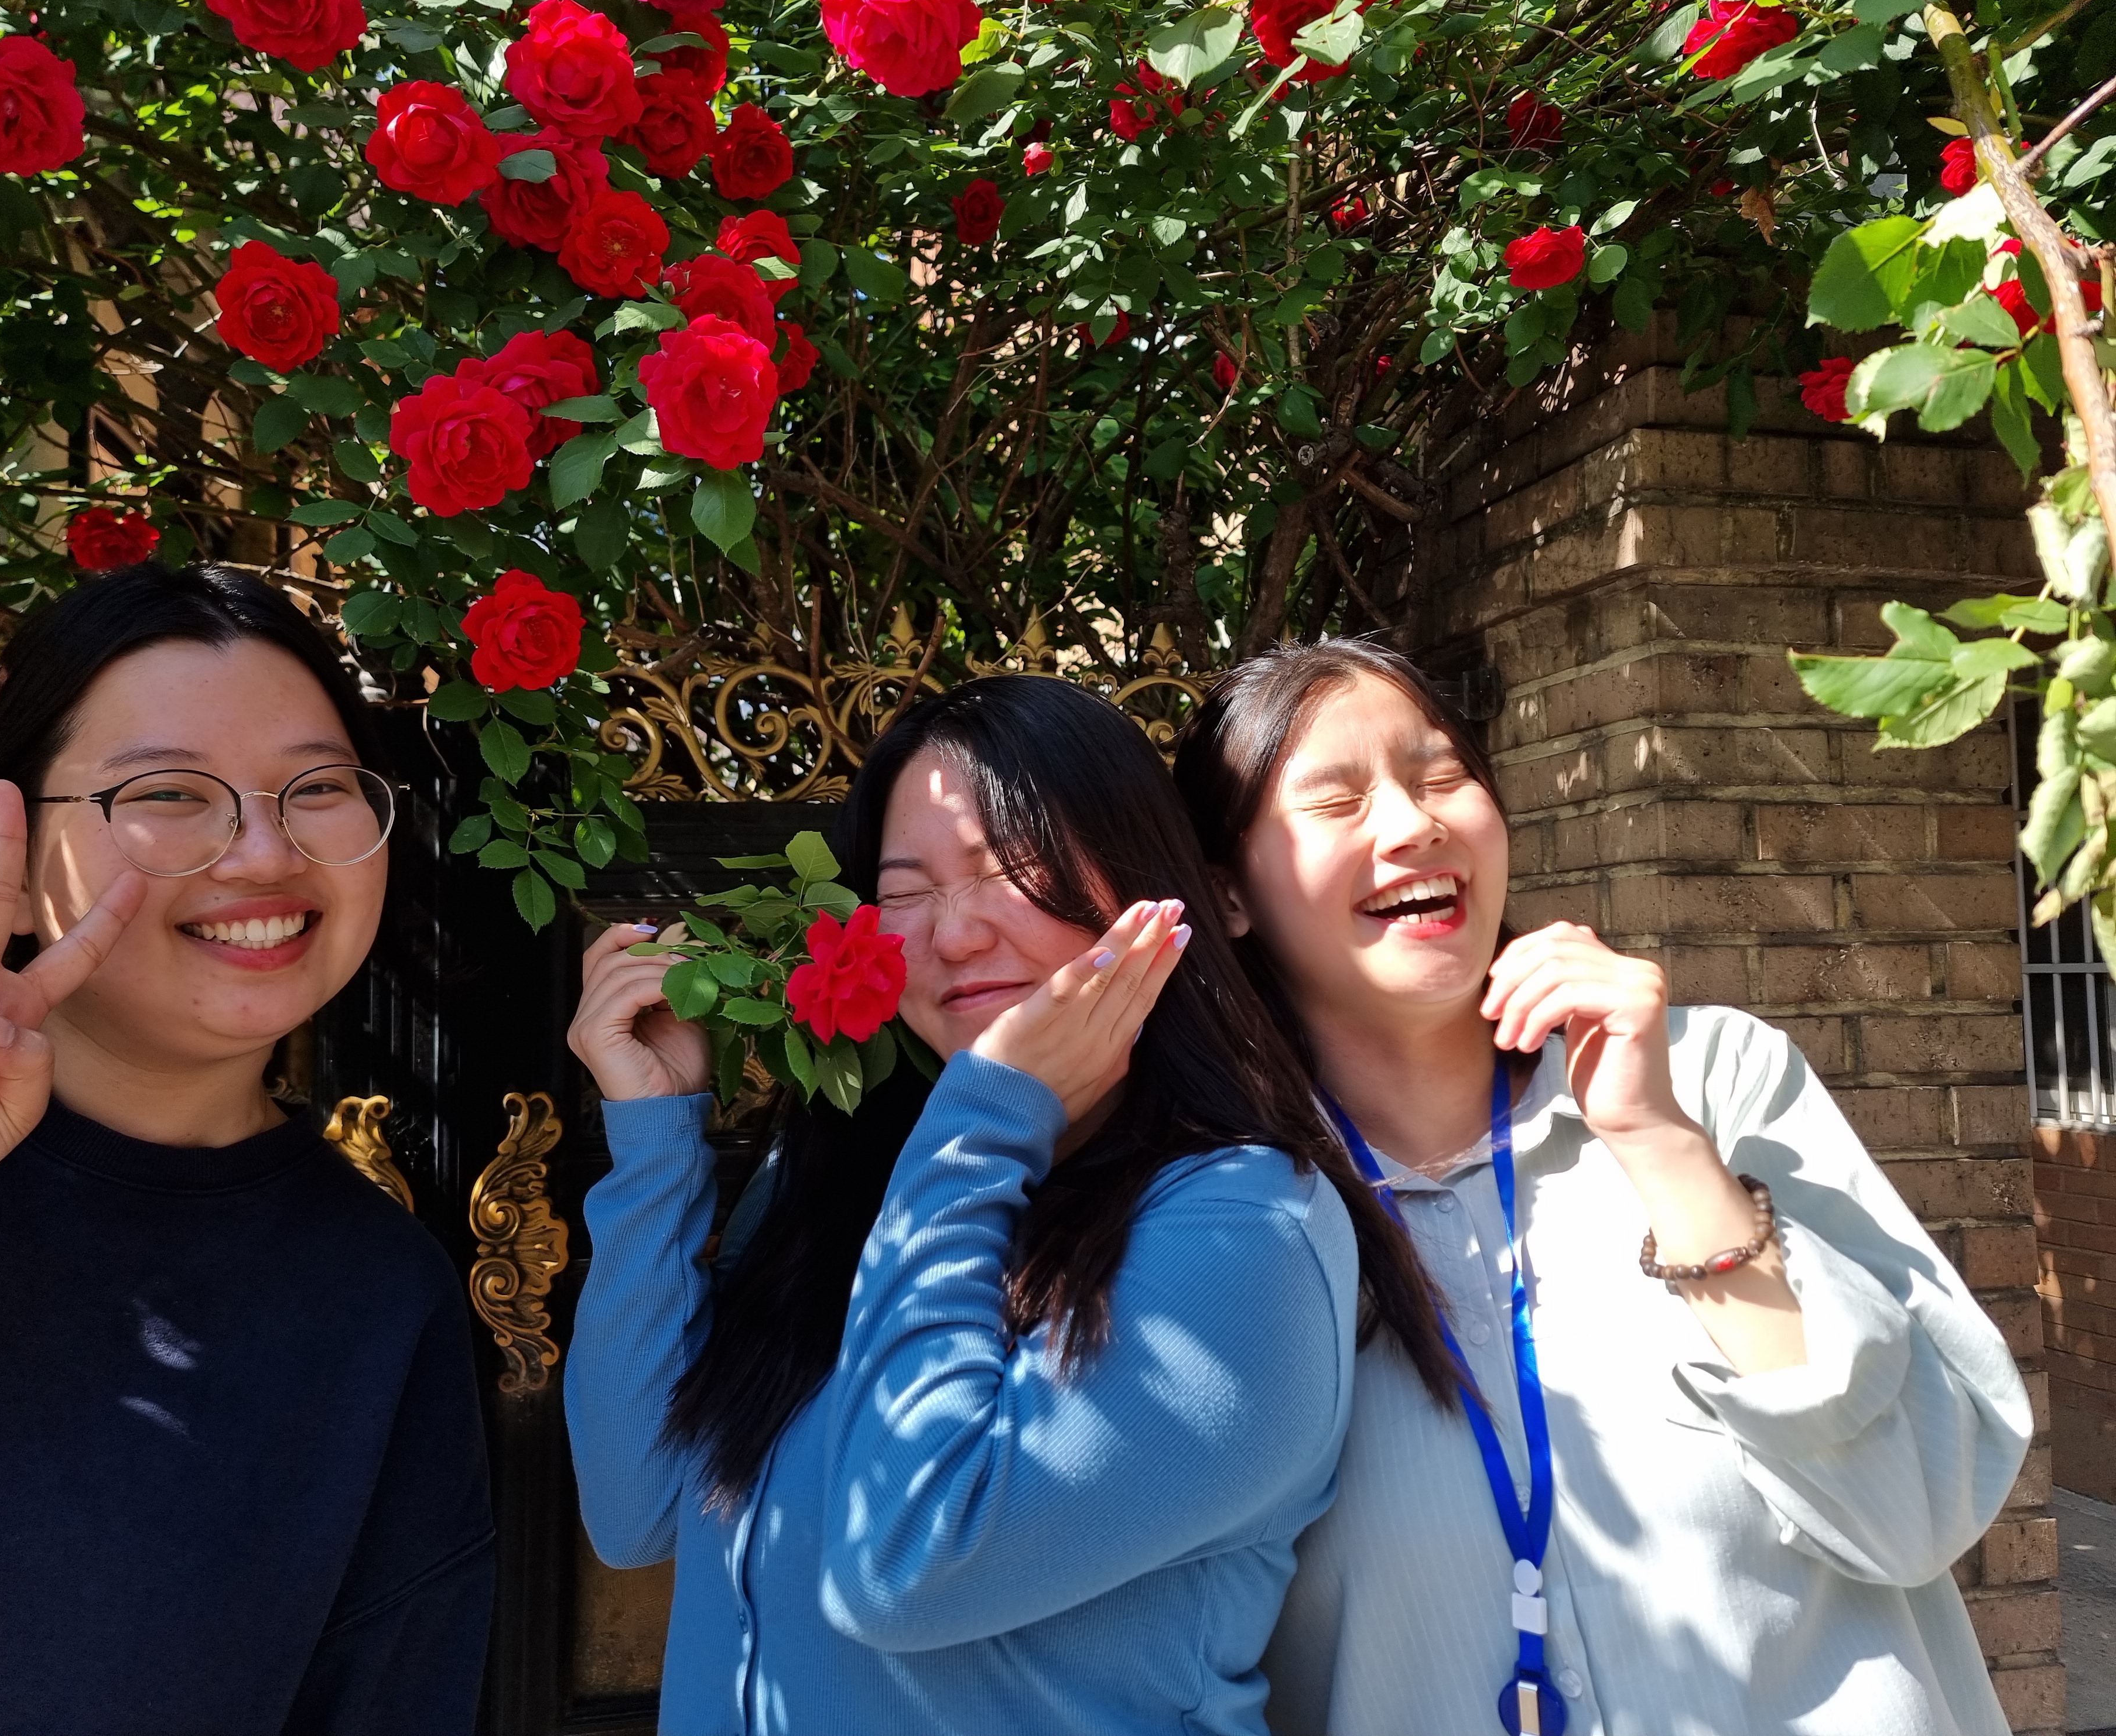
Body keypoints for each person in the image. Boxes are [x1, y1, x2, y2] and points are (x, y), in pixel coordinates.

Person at [563, 673, 1456, 1736]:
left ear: (1149, 885)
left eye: (1010, 869)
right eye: (904, 891)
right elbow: (636, 1507)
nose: (954, 935)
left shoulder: (1247, 1232)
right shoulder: (863, 1185)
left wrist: (984, 1121)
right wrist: (657, 1137)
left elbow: (904, 1566)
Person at [1175, 639, 2033, 1736]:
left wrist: (1659, 1141)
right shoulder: (1222, 1221)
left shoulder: (1716, 1079)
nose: (1414, 824)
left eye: (1444, 777)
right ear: (1228, 893)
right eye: (1337, 802)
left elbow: (1919, 1513)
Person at [0, 564, 494, 1735]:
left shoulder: (374, 1289)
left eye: (316, 787)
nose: (260, 854)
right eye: (167, 792)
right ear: (10, 850)